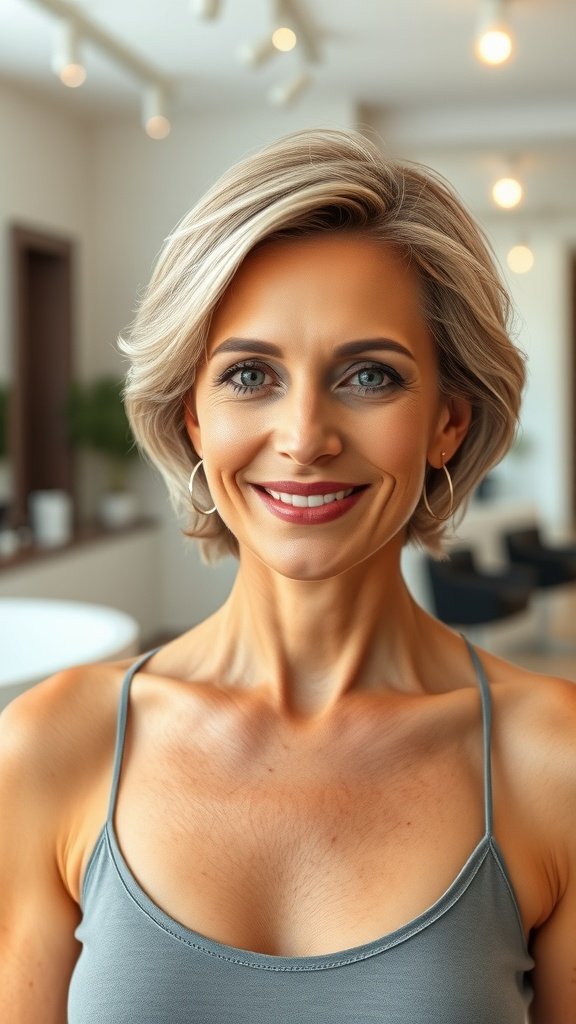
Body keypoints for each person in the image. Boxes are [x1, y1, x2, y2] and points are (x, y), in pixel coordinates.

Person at [1, 128, 574, 1023]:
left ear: (448, 424)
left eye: (370, 375)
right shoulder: (49, 750)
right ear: (193, 416)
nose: (305, 436)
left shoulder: (554, 763)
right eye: (251, 374)